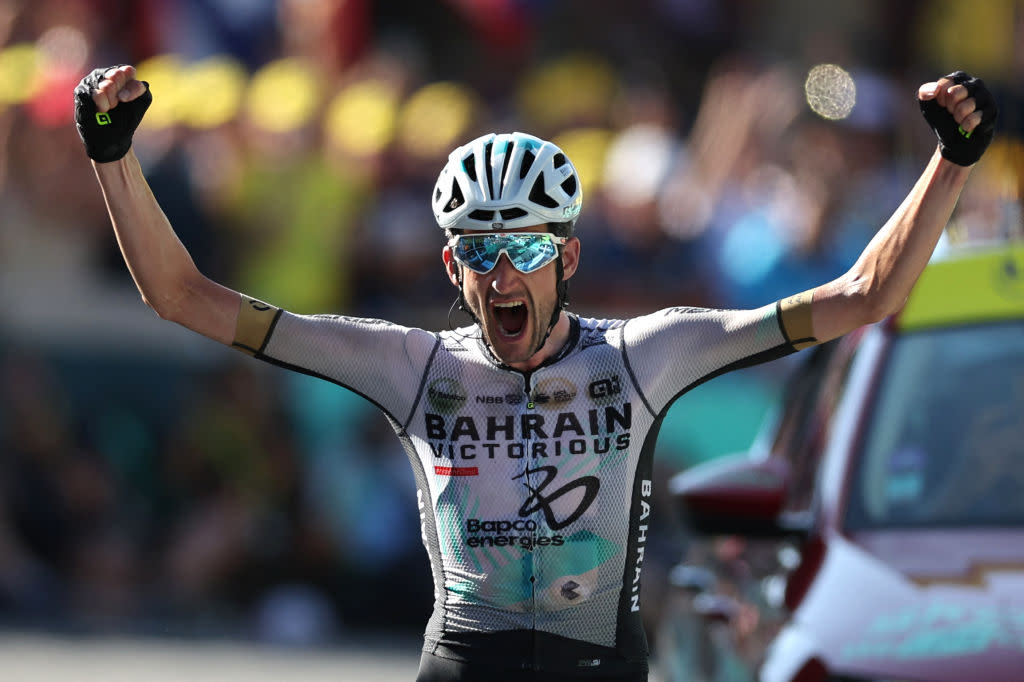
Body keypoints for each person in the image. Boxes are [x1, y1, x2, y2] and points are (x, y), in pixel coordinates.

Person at [73, 64, 997, 681]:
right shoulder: (413, 368)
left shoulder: (645, 356)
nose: (502, 272)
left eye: (524, 246)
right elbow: (183, 297)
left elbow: (864, 295)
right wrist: (112, 158)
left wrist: (950, 164)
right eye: (480, 248)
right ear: (451, 269)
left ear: (569, 257)